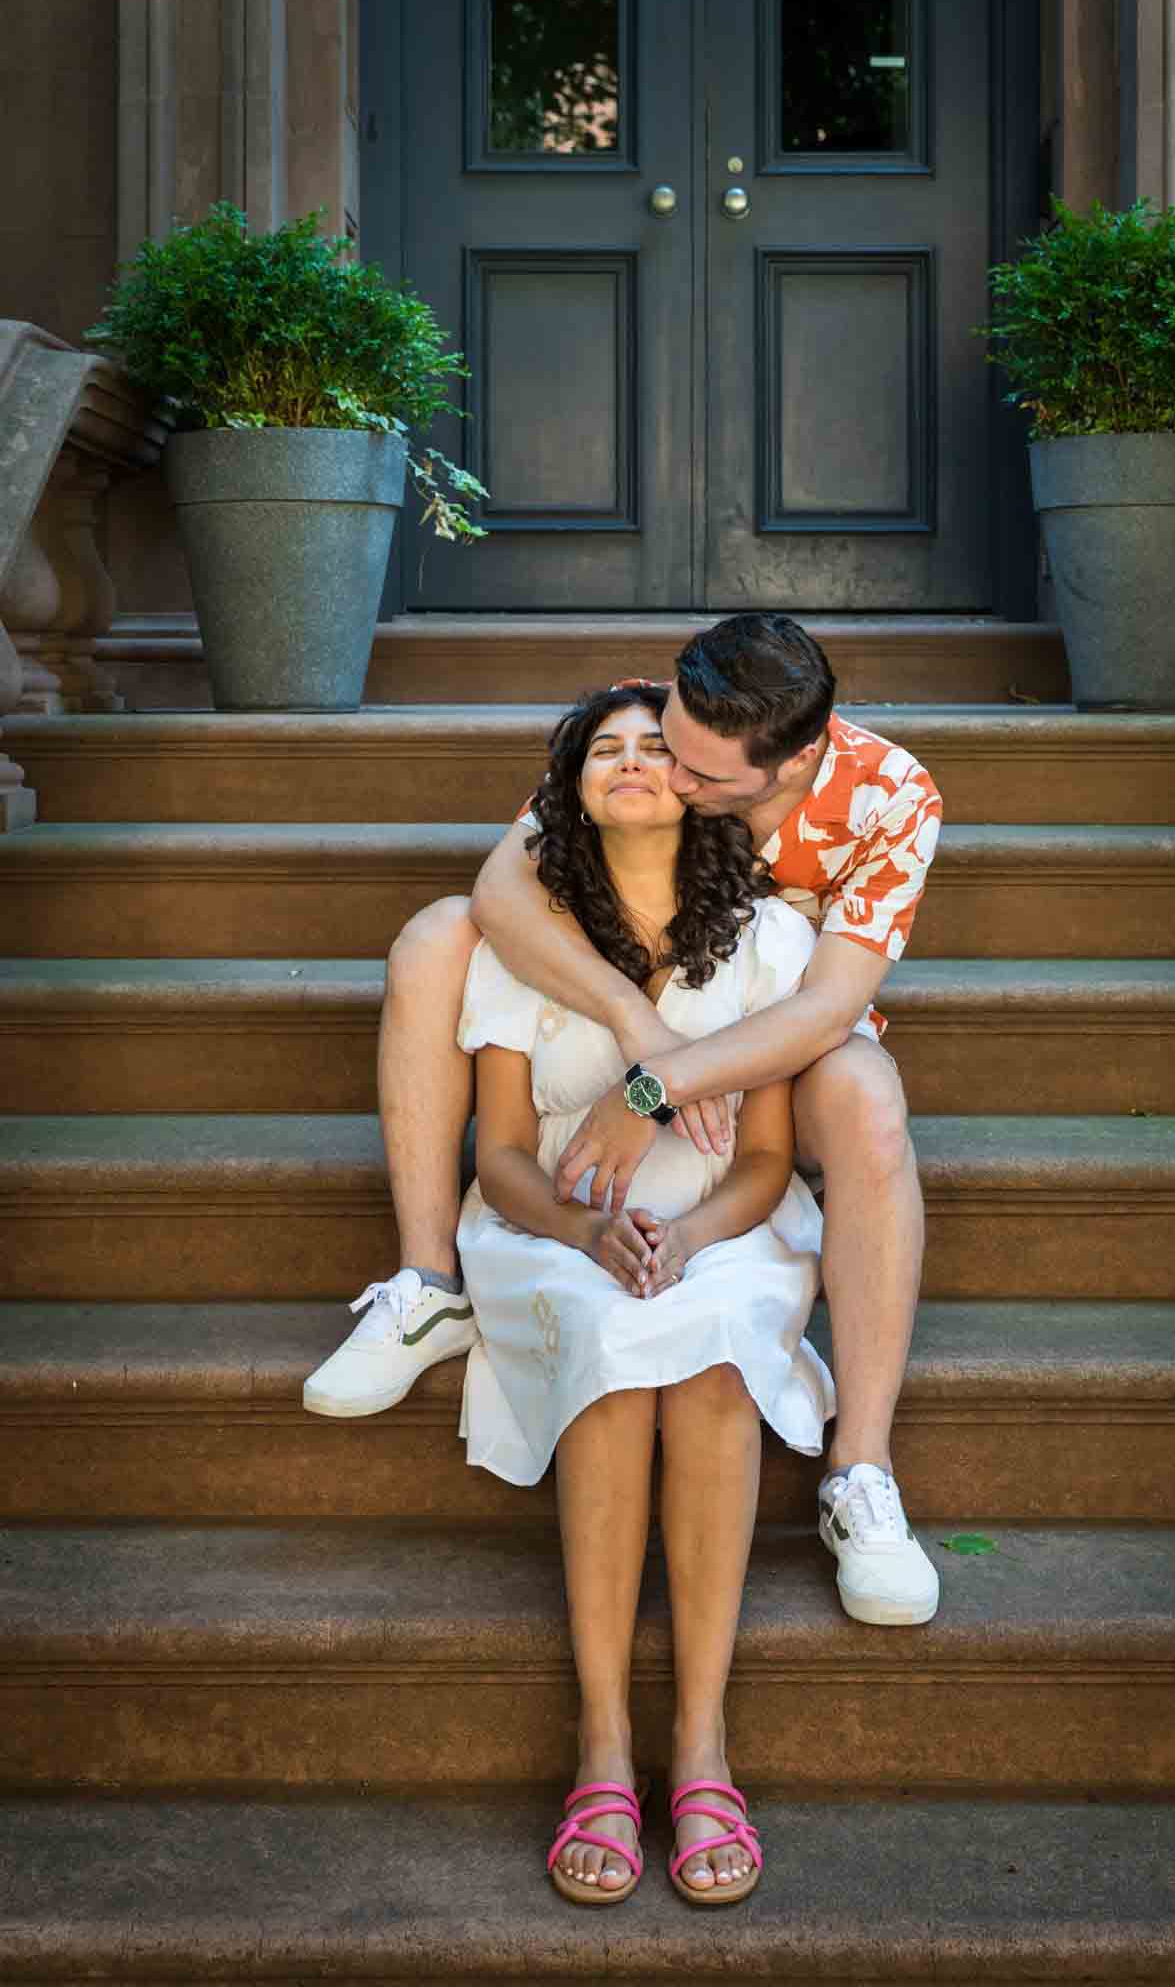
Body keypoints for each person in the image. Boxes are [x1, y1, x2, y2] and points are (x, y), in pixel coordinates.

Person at [305, 613, 942, 1632]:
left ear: (797, 758)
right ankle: (429, 1280)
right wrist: (643, 1034)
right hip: (632, 1010)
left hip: (784, 1048)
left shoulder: (890, 797)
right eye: (666, 747)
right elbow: (503, 885)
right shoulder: (657, 721)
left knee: (869, 1097)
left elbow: (823, 1008)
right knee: (435, 938)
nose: (672, 778)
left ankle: (858, 1468)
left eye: (702, 778)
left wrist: (654, 1088)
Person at [448, 682, 831, 1902]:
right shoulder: (530, 939)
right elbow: (501, 1149)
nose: (628, 760)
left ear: (699, 781)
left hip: (725, 1218)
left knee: (713, 1350)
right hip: (551, 1223)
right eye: (600, 749)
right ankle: (605, 1744)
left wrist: (687, 1226)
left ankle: (702, 1742)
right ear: (569, 792)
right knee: (613, 1357)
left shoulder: (770, 939)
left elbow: (769, 1161)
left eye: (651, 747)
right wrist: (585, 1226)